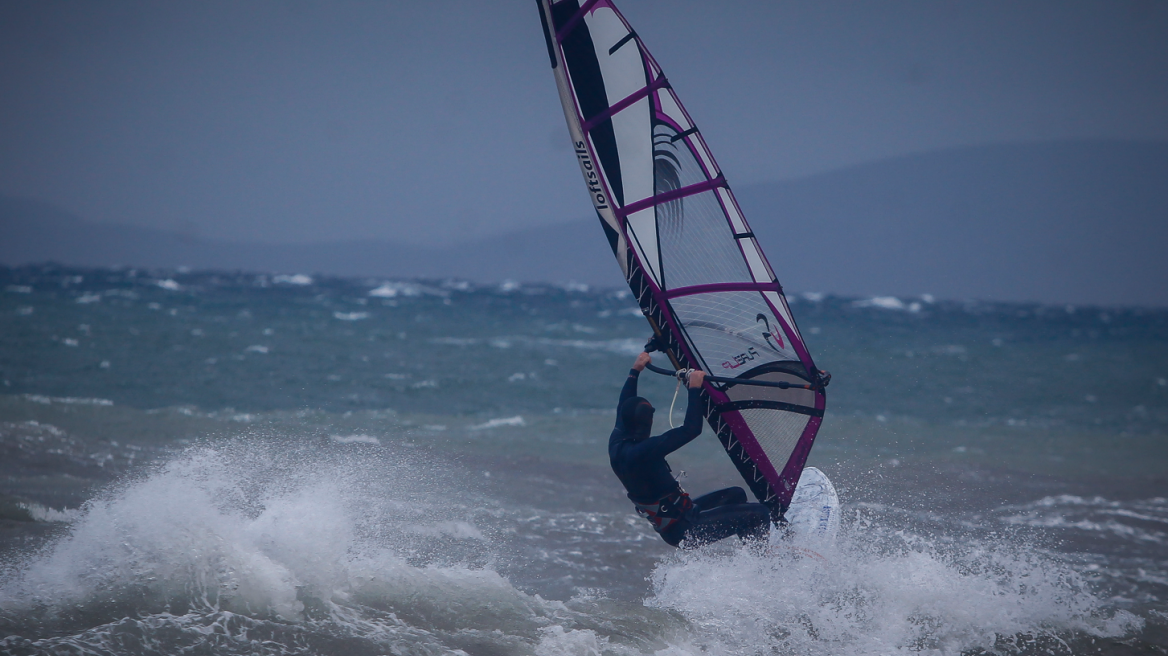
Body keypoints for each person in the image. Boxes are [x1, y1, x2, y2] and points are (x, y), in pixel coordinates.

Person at [609, 351, 772, 548]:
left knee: (736, 495)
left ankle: (751, 550)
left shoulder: (618, 441)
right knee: (759, 513)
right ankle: (764, 566)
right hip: (685, 530)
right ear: (646, 423)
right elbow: (691, 430)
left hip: (684, 514)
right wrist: (694, 389)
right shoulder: (643, 453)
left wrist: (635, 371)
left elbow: (623, 404)